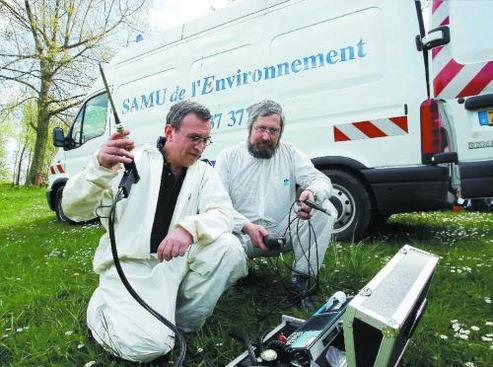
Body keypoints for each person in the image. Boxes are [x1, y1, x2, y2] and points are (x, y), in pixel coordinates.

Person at [62, 101, 248, 362]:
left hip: (174, 263)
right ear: (169, 131)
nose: (200, 147)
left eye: (206, 140)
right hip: (131, 266)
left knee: (229, 248)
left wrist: (188, 229)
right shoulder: (129, 159)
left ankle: (180, 325)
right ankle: (101, 311)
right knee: (148, 348)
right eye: (194, 138)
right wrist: (100, 168)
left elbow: (222, 213)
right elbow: (73, 209)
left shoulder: (204, 172)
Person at [215, 99, 336, 309]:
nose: (266, 137)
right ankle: (230, 280)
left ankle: (301, 280)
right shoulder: (229, 156)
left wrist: (311, 193)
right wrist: (244, 226)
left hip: (282, 231)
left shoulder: (289, 152)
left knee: (325, 210)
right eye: (261, 128)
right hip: (242, 234)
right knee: (214, 227)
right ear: (249, 128)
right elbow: (217, 204)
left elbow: (321, 180)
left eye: (273, 131)